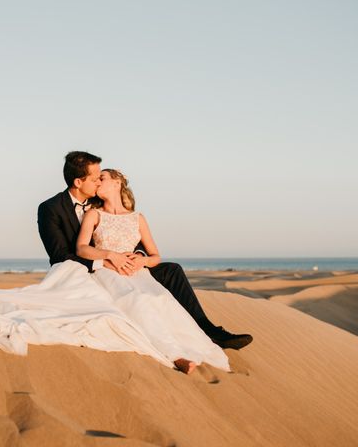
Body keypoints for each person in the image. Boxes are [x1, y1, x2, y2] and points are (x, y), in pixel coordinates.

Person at [38, 151, 253, 350]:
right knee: (139, 298)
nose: (98, 182)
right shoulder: (51, 208)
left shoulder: (99, 201)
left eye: (100, 178)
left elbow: (127, 235)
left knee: (172, 270)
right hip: (86, 270)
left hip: (126, 265)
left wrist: (139, 257)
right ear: (78, 182)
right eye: (95, 178)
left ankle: (209, 330)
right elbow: (60, 255)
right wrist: (106, 261)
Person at [75, 168, 230, 373]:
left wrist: (142, 262)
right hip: (110, 272)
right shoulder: (94, 214)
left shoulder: (137, 218)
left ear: (116, 183)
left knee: (162, 300)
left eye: (101, 178)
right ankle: (175, 355)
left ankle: (197, 347)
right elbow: (82, 248)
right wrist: (109, 255)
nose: (96, 182)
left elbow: (156, 256)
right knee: (138, 302)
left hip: (138, 274)